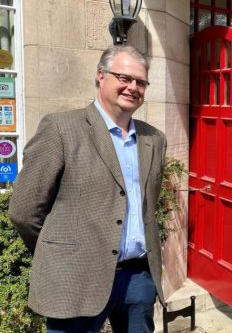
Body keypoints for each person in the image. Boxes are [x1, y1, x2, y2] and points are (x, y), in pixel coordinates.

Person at [8, 45, 167, 333]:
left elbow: (146, 206)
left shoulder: (154, 138)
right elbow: (23, 210)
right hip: (75, 276)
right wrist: (61, 251)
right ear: (101, 76)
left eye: (141, 82)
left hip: (137, 278)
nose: (133, 87)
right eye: (124, 77)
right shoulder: (61, 128)